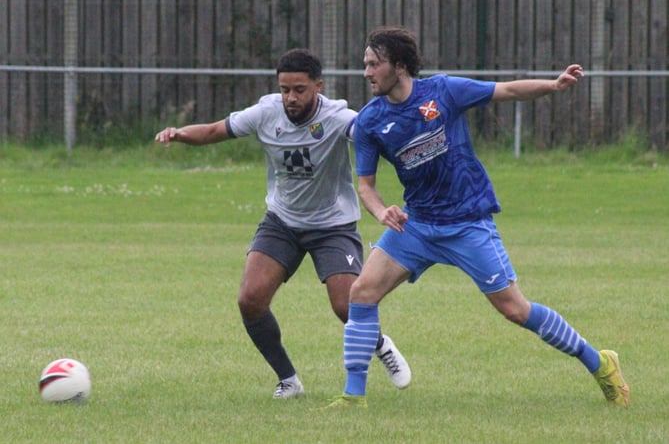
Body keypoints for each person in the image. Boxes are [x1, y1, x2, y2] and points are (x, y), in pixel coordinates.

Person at [326, 27, 630, 408]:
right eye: (365, 65)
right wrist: (380, 210)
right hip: (416, 225)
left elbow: (507, 91)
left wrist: (553, 86)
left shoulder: (443, 91)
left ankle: (599, 362)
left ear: (399, 66)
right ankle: (354, 396)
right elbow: (366, 186)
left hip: (467, 222)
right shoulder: (370, 121)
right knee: (362, 292)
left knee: (514, 309)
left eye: (374, 64)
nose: (367, 72)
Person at [154, 48, 411, 399]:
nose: (291, 97)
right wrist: (181, 133)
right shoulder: (265, 113)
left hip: (333, 225)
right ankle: (288, 379)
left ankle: (380, 345)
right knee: (250, 300)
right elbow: (216, 130)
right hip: (283, 222)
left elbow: (372, 135)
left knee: (346, 307)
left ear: (318, 86)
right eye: (285, 89)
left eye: (300, 90)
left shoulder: (338, 117)